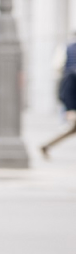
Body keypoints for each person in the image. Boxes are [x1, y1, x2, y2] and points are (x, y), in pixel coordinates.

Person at [40, 32, 76, 160]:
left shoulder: (66, 48)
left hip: (68, 85)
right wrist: (70, 108)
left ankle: (46, 146)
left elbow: (57, 67)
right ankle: (46, 146)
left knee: (71, 130)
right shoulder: (67, 50)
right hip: (71, 86)